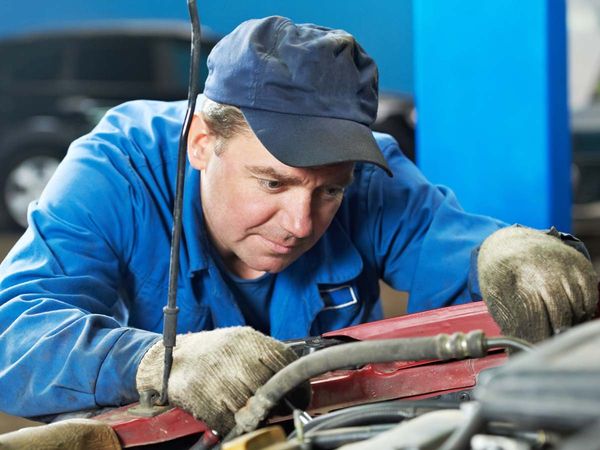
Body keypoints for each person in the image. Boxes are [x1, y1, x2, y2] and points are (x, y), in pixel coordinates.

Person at [0, 16, 597, 436]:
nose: (300, 222)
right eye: (273, 183)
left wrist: (507, 251)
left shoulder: (366, 173)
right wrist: (155, 360)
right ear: (203, 142)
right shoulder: (118, 169)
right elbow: (14, 339)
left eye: (329, 190)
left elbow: (454, 244)